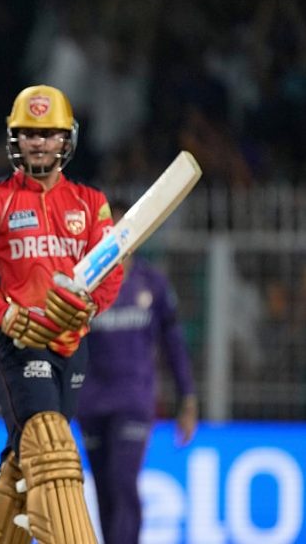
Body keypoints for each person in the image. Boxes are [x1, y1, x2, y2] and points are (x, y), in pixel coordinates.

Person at [0, 84, 124, 544]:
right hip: (16, 343)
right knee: (52, 446)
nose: (38, 143)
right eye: (29, 133)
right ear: (14, 138)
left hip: (72, 346)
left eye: (48, 134)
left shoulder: (91, 203)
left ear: (67, 139)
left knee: (24, 464)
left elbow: (110, 273)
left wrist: (87, 308)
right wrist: (6, 316)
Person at [76, 199, 198, 544]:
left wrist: (187, 398)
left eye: (120, 231)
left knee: (122, 479)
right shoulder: (84, 285)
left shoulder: (152, 283)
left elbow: (174, 344)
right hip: (92, 403)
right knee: (103, 486)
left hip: (134, 401)